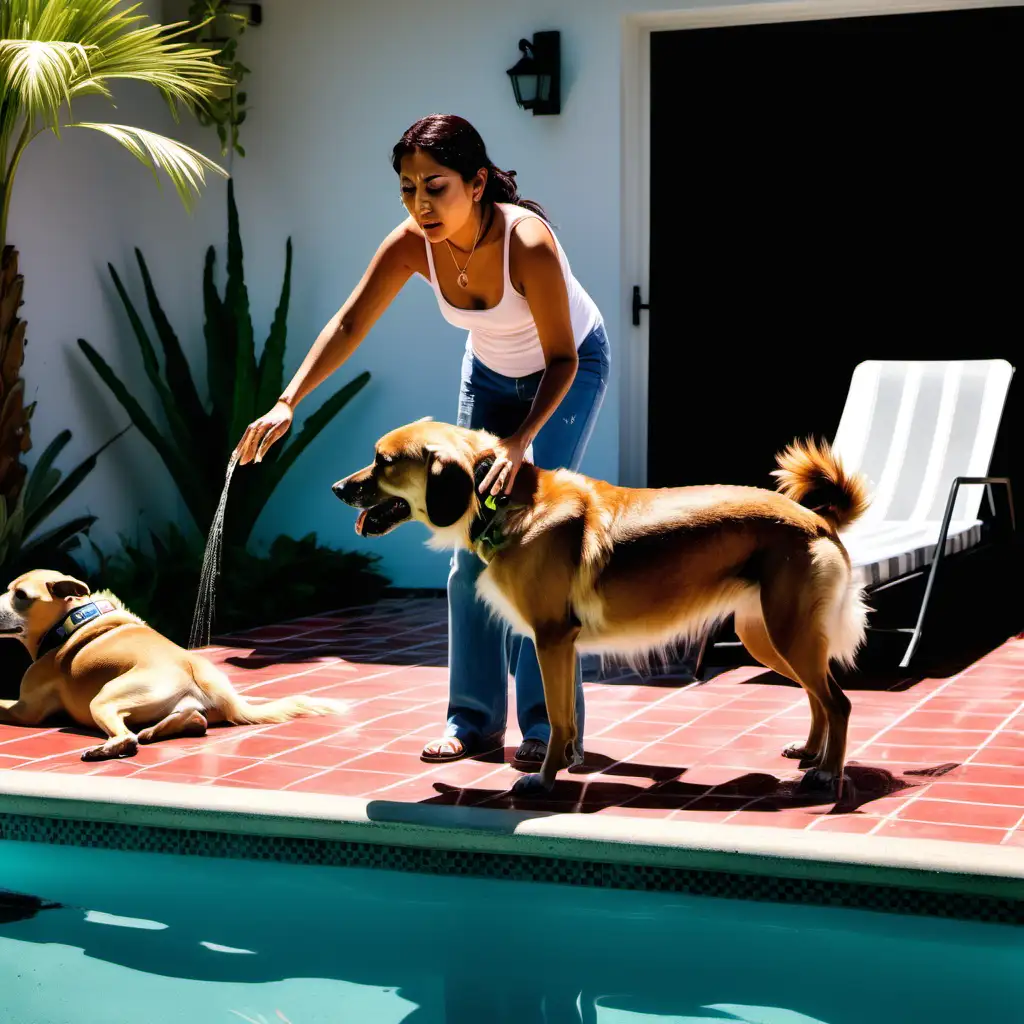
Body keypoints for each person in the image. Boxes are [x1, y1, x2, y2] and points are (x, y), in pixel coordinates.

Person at [235, 113, 610, 767]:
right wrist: (287, 400)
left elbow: (563, 359)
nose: (420, 204)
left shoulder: (528, 243)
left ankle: (551, 726)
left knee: (534, 543)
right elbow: (351, 322)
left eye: (434, 187)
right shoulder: (414, 243)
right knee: (470, 548)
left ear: (477, 182)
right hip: (490, 378)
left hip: (566, 374)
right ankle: (473, 720)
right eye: (408, 189)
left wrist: (520, 442)